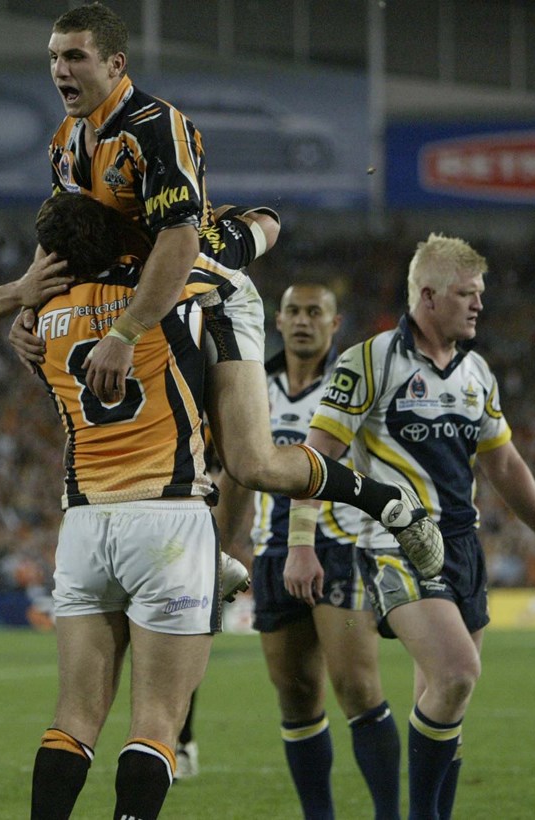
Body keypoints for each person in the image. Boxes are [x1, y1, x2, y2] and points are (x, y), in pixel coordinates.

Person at [13, 1, 444, 572]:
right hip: (139, 304)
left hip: (206, 298)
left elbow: (180, 246)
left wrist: (124, 332)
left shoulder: (157, 128)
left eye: (75, 56)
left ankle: (389, 503)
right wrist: (31, 303)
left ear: (115, 63)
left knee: (252, 464)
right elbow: (59, 232)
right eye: (53, 58)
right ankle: (204, 561)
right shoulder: (65, 139)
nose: (60, 70)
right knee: (119, 428)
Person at [287, 234, 535, 819]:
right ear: (429, 297)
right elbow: (315, 461)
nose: (478, 305)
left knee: (447, 707)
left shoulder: (476, 372)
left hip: (465, 549)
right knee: (458, 672)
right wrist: (301, 545)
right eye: (467, 294)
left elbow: (505, 465)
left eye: (479, 294)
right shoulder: (369, 361)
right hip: (396, 546)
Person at [25, 191, 272, 819]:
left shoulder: (41, 317)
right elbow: (263, 228)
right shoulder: (168, 290)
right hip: (167, 515)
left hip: (82, 523)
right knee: (158, 719)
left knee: (74, 718)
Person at [213, 283, 400, 818]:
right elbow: (236, 476)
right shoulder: (254, 386)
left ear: (335, 323)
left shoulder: (351, 387)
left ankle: (391, 813)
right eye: (293, 311)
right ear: (277, 320)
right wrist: (217, 550)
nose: (302, 321)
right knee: (295, 696)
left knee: (357, 688)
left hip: (338, 549)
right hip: (272, 554)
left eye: (314, 312)